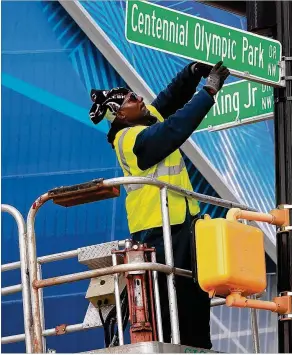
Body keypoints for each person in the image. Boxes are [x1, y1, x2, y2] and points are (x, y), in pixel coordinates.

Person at [88, 61, 230, 349]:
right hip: (159, 236)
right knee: (176, 311)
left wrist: (190, 74)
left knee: (193, 300)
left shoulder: (140, 119)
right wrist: (209, 92)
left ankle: (199, 348)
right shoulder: (130, 139)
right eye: (130, 100)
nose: (139, 99)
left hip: (180, 230)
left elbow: (169, 99)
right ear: (119, 115)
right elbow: (175, 128)